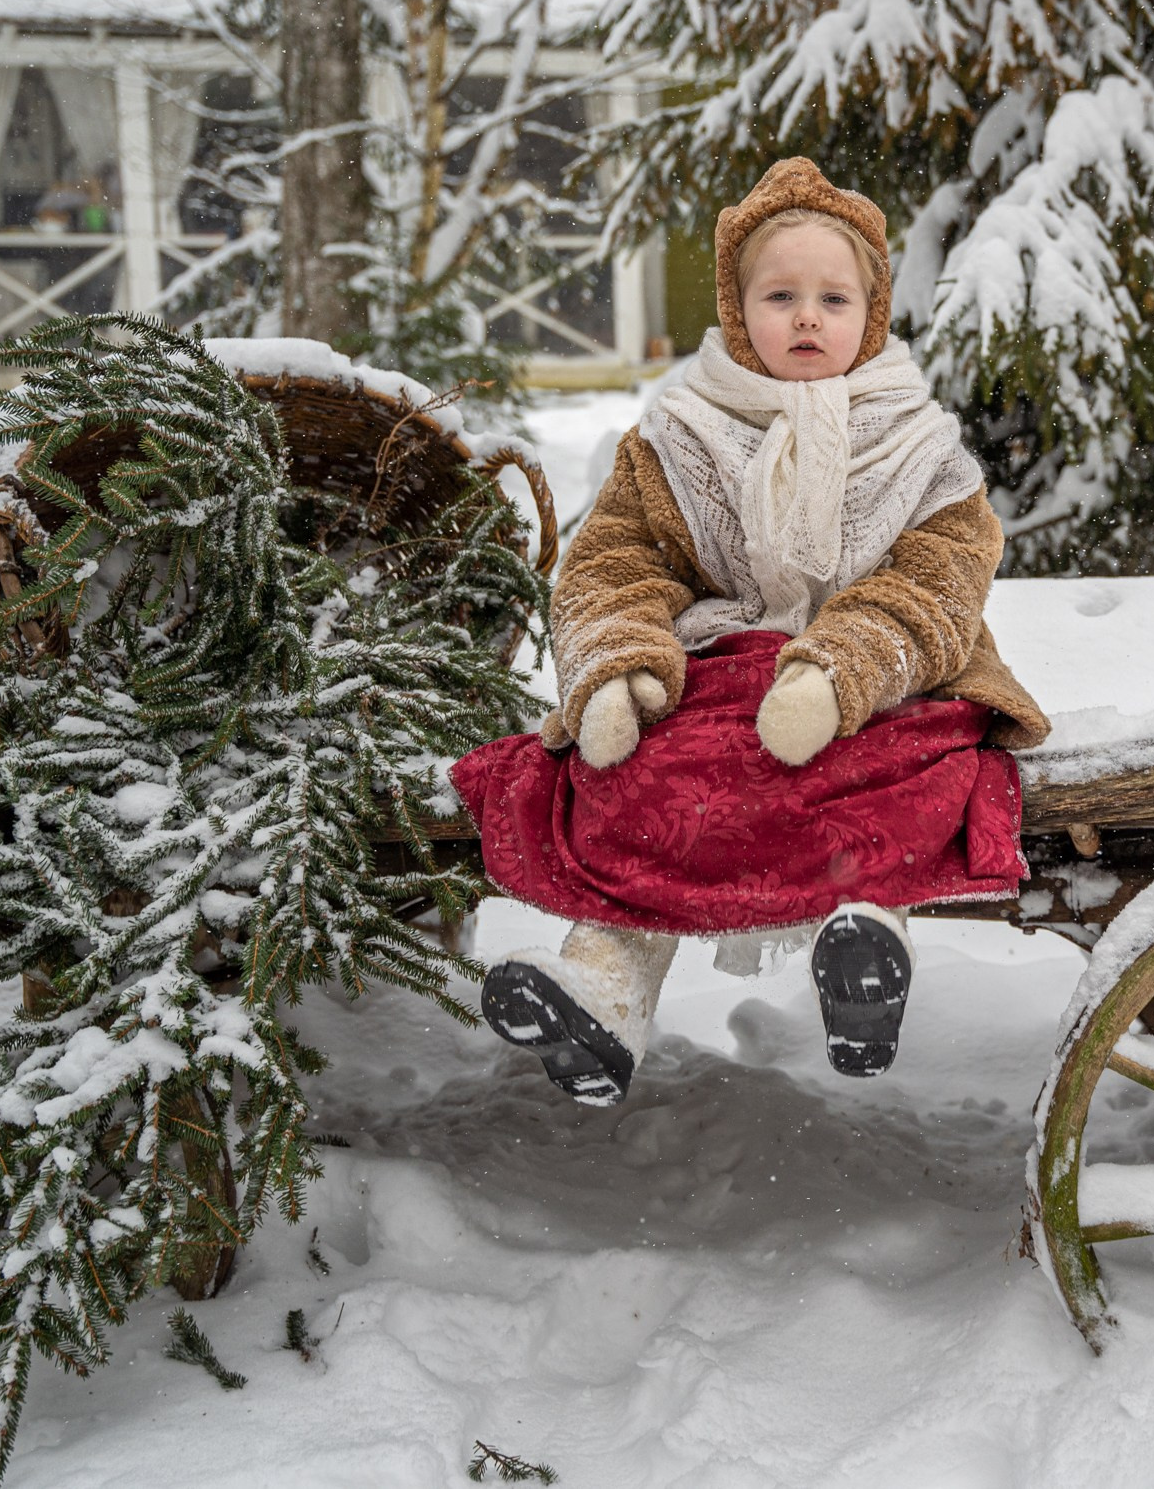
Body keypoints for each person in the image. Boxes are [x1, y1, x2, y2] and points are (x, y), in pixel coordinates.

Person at [448, 159, 1048, 1106]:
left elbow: (941, 576)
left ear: (872, 311)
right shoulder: (684, 436)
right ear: (737, 310)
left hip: (884, 677)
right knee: (638, 775)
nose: (807, 317)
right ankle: (603, 986)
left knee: (901, 763)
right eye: (781, 295)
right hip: (731, 669)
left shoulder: (920, 446)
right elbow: (616, 559)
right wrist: (616, 667)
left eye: (831, 297)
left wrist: (841, 671)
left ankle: (864, 936)